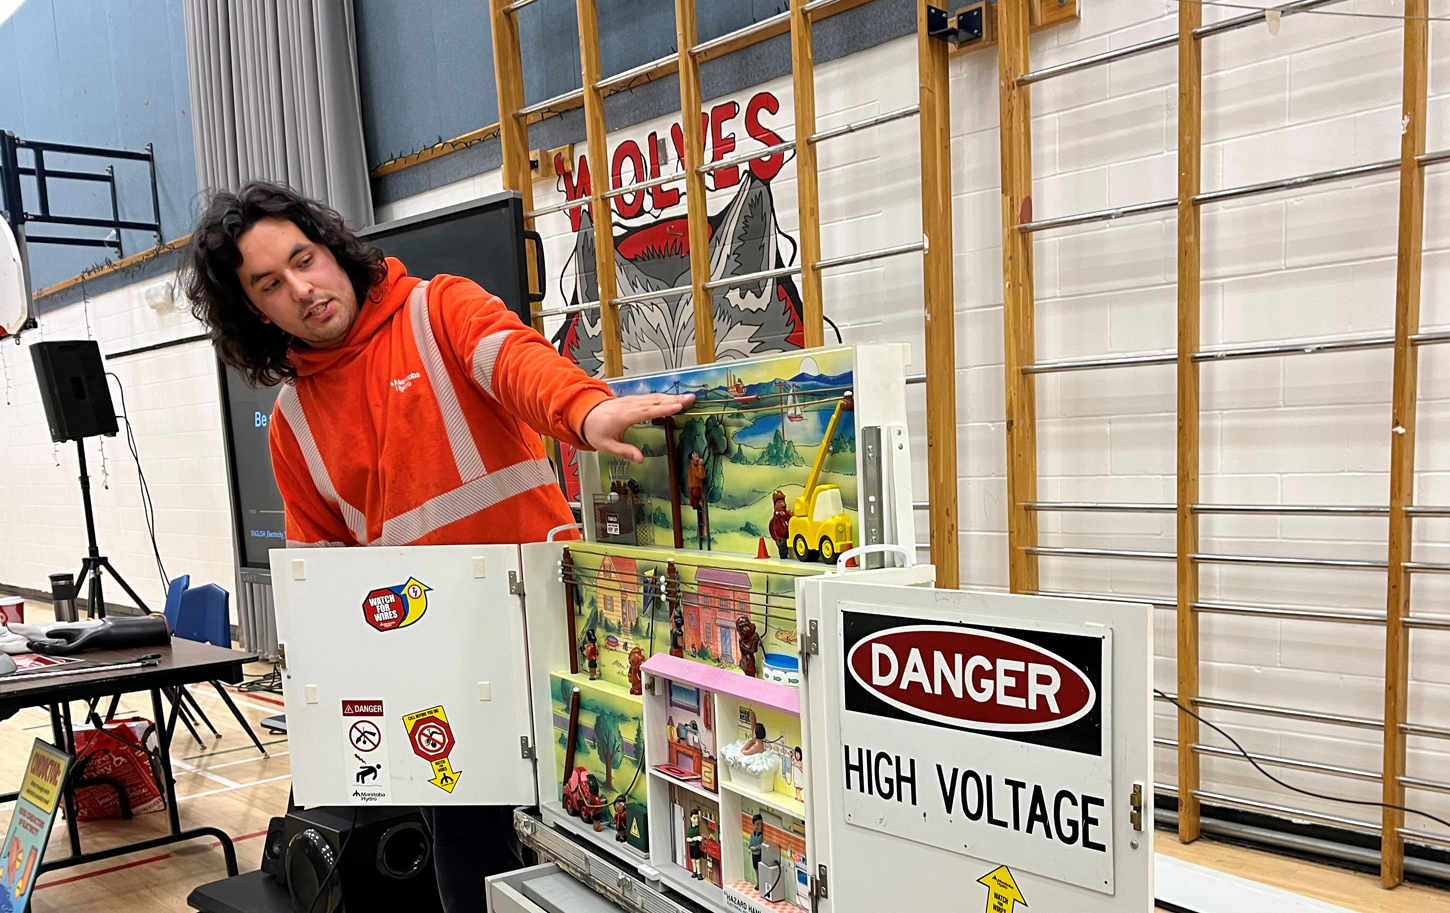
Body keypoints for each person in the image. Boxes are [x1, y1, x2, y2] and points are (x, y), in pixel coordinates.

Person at [183, 182, 693, 913]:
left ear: (332, 248)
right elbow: (322, 589)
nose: (302, 287)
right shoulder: (292, 424)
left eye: (305, 259)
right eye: (270, 282)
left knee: (604, 864)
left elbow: (519, 361)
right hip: (443, 691)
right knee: (475, 884)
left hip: (554, 648)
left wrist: (587, 408)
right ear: (253, 308)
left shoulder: (438, 307)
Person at [769, 490, 792, 558]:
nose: (783, 504)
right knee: (782, 547)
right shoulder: (778, 514)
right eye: (780, 502)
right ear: (775, 504)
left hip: (782, 536)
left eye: (783, 501)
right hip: (780, 537)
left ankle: (783, 555)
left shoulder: (784, 514)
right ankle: (783, 555)